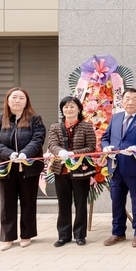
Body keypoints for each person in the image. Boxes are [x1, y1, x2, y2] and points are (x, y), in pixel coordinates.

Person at [0, 87, 46, 251]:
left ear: (26, 102)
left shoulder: (35, 120)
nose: (17, 101)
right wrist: (9, 154)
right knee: (7, 203)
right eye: (14, 97)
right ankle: (7, 237)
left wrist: (25, 154)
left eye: (21, 98)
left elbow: (38, 139)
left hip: (28, 168)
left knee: (28, 201)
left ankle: (27, 234)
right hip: (5, 167)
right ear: (7, 100)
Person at [101, 88, 136, 247]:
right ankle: (118, 232)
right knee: (116, 201)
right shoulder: (115, 118)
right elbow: (105, 137)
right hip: (116, 167)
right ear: (122, 101)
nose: (130, 102)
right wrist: (106, 147)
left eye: (134, 99)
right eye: (127, 98)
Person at [46, 96, 98, 247]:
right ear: (62, 110)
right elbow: (52, 144)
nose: (69, 109)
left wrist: (73, 153)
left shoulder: (86, 126)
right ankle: (63, 235)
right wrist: (60, 151)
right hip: (61, 170)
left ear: (79, 109)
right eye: (66, 107)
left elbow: (91, 147)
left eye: (72, 106)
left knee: (81, 203)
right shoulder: (56, 127)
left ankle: (80, 235)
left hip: (80, 170)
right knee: (63, 203)